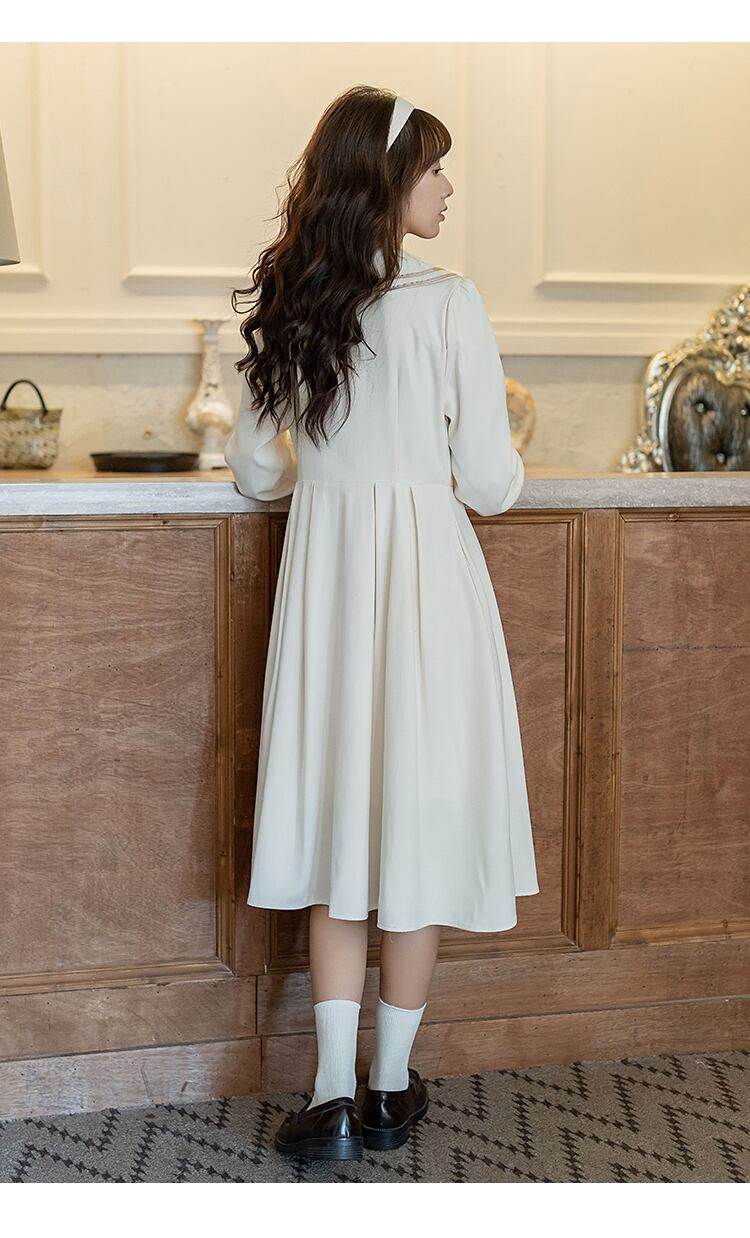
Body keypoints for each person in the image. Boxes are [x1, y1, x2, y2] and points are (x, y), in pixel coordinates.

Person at [224, 86, 540, 1162]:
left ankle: (329, 1096)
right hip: (427, 588)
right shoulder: (449, 303)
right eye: (434, 168)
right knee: (411, 825)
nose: (448, 187)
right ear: (390, 179)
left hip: (328, 588)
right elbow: (488, 483)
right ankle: (393, 1087)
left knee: (337, 829)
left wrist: (327, 477)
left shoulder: (296, 298)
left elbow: (255, 467)